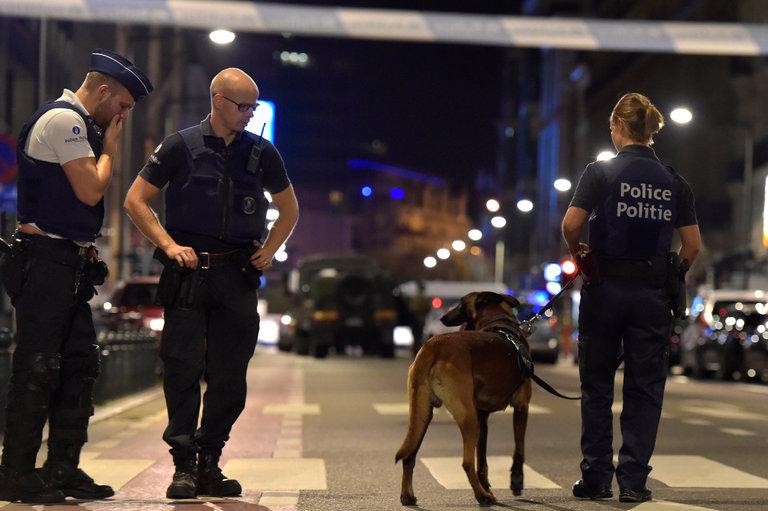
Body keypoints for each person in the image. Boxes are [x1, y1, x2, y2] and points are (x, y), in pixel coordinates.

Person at [124, 68, 299, 499]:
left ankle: (209, 461)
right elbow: (135, 200)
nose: (250, 113)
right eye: (243, 106)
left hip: (236, 275)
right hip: (188, 275)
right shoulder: (180, 146)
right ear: (218, 101)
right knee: (182, 370)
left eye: (253, 106)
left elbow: (289, 208)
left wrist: (270, 249)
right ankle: (183, 465)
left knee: (229, 376)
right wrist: (168, 245)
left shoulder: (262, 153)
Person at [0, 49, 153, 504]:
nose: (123, 115)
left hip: (67, 264)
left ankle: (62, 470)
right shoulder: (64, 120)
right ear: (103, 91)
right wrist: (111, 149)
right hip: (45, 262)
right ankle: (16, 472)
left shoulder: (81, 126)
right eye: (123, 105)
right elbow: (90, 189)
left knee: (79, 365)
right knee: (38, 367)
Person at [562, 92, 700, 503]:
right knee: (645, 388)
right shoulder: (674, 181)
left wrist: (578, 253)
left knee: (597, 386)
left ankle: (596, 478)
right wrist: (673, 274)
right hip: (651, 295)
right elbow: (692, 245)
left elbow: (571, 224)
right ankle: (634, 482)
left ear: (620, 127)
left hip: (604, 289)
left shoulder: (600, 173)